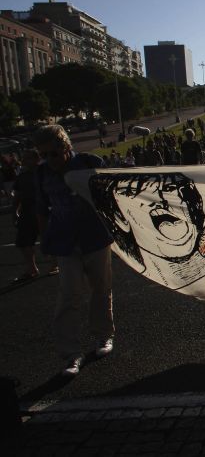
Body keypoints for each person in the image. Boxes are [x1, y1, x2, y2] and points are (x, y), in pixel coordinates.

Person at [34, 125, 115, 376]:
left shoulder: (89, 163)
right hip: (65, 241)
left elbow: (110, 194)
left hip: (95, 237)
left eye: (53, 154)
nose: (50, 160)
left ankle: (103, 335)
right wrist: (45, 240)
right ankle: (70, 353)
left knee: (101, 288)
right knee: (69, 295)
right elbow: (41, 209)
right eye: (43, 155)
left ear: (66, 147)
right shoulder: (42, 174)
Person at [11, 149, 52, 284]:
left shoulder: (46, 173)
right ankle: (32, 269)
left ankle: (55, 265)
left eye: (28, 158)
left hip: (45, 212)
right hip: (27, 213)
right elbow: (17, 196)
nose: (24, 161)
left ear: (37, 159)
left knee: (51, 239)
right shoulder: (22, 176)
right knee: (23, 242)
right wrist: (15, 212)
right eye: (24, 158)